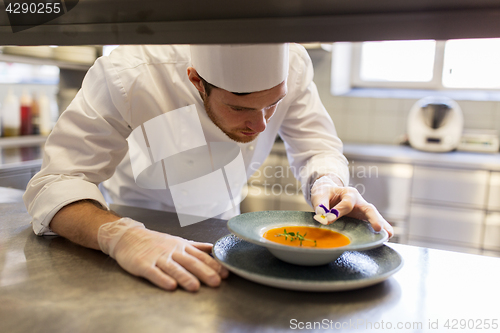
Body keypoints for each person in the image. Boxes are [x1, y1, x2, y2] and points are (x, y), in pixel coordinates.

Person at [23, 43, 393, 292]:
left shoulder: (293, 62)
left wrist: (326, 181)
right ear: (197, 81)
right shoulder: (128, 72)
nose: (262, 125)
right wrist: (123, 237)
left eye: (272, 105)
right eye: (241, 108)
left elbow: (317, 146)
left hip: (225, 233)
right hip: (137, 233)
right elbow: (56, 183)